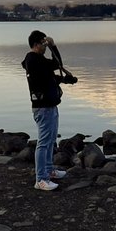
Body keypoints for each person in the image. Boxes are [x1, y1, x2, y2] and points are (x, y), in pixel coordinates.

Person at [22, 30, 77, 191]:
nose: (45, 47)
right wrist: (53, 46)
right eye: (43, 44)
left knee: (50, 140)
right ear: (36, 44)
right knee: (44, 142)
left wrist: (65, 80)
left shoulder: (37, 60)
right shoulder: (32, 60)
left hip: (49, 105)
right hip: (43, 107)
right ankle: (41, 179)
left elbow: (49, 74)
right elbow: (56, 65)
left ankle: (48, 171)